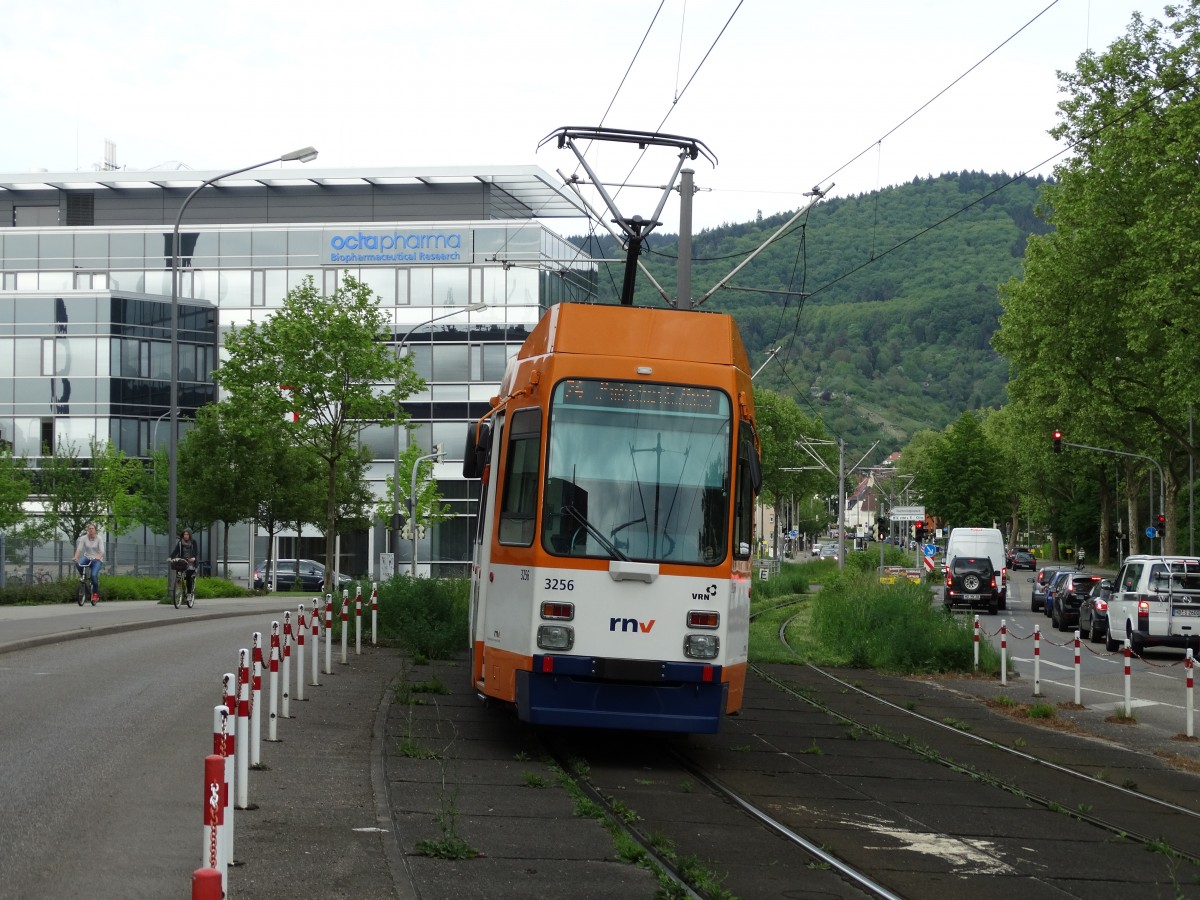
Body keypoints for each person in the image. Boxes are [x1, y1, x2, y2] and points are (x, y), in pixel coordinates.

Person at [72, 522, 105, 602]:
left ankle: (95, 594)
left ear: (95, 530)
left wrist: (98, 557)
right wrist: (75, 557)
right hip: (87, 557)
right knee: (78, 563)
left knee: (93, 576)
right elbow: (79, 549)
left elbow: (102, 551)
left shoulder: (99, 538)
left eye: (92, 528)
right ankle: (84, 577)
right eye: (89, 528)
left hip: (97, 560)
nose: (91, 530)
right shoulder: (84, 538)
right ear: (88, 530)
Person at [170, 529, 199, 596]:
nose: (185, 536)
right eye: (184, 534)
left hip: (191, 562)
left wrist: (194, 557)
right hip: (183, 561)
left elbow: (196, 551)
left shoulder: (193, 542)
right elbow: (176, 551)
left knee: (188, 576)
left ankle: (189, 593)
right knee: (179, 575)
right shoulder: (180, 542)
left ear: (190, 535)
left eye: (187, 534)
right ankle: (180, 588)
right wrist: (170, 557)